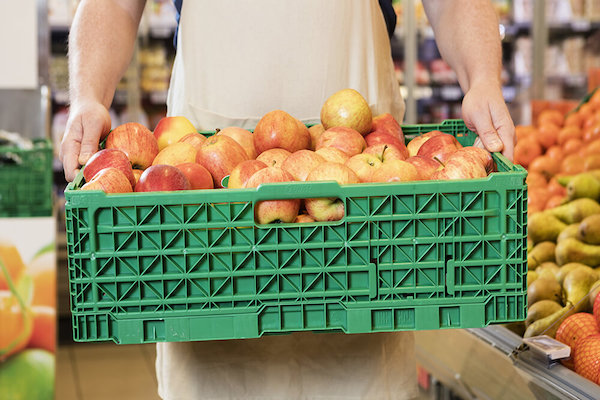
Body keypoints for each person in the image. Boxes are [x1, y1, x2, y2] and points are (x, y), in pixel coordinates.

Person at [60, 1, 515, 399]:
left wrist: (482, 79)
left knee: (359, 362)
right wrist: (87, 96)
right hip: (211, 207)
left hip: (361, 194)